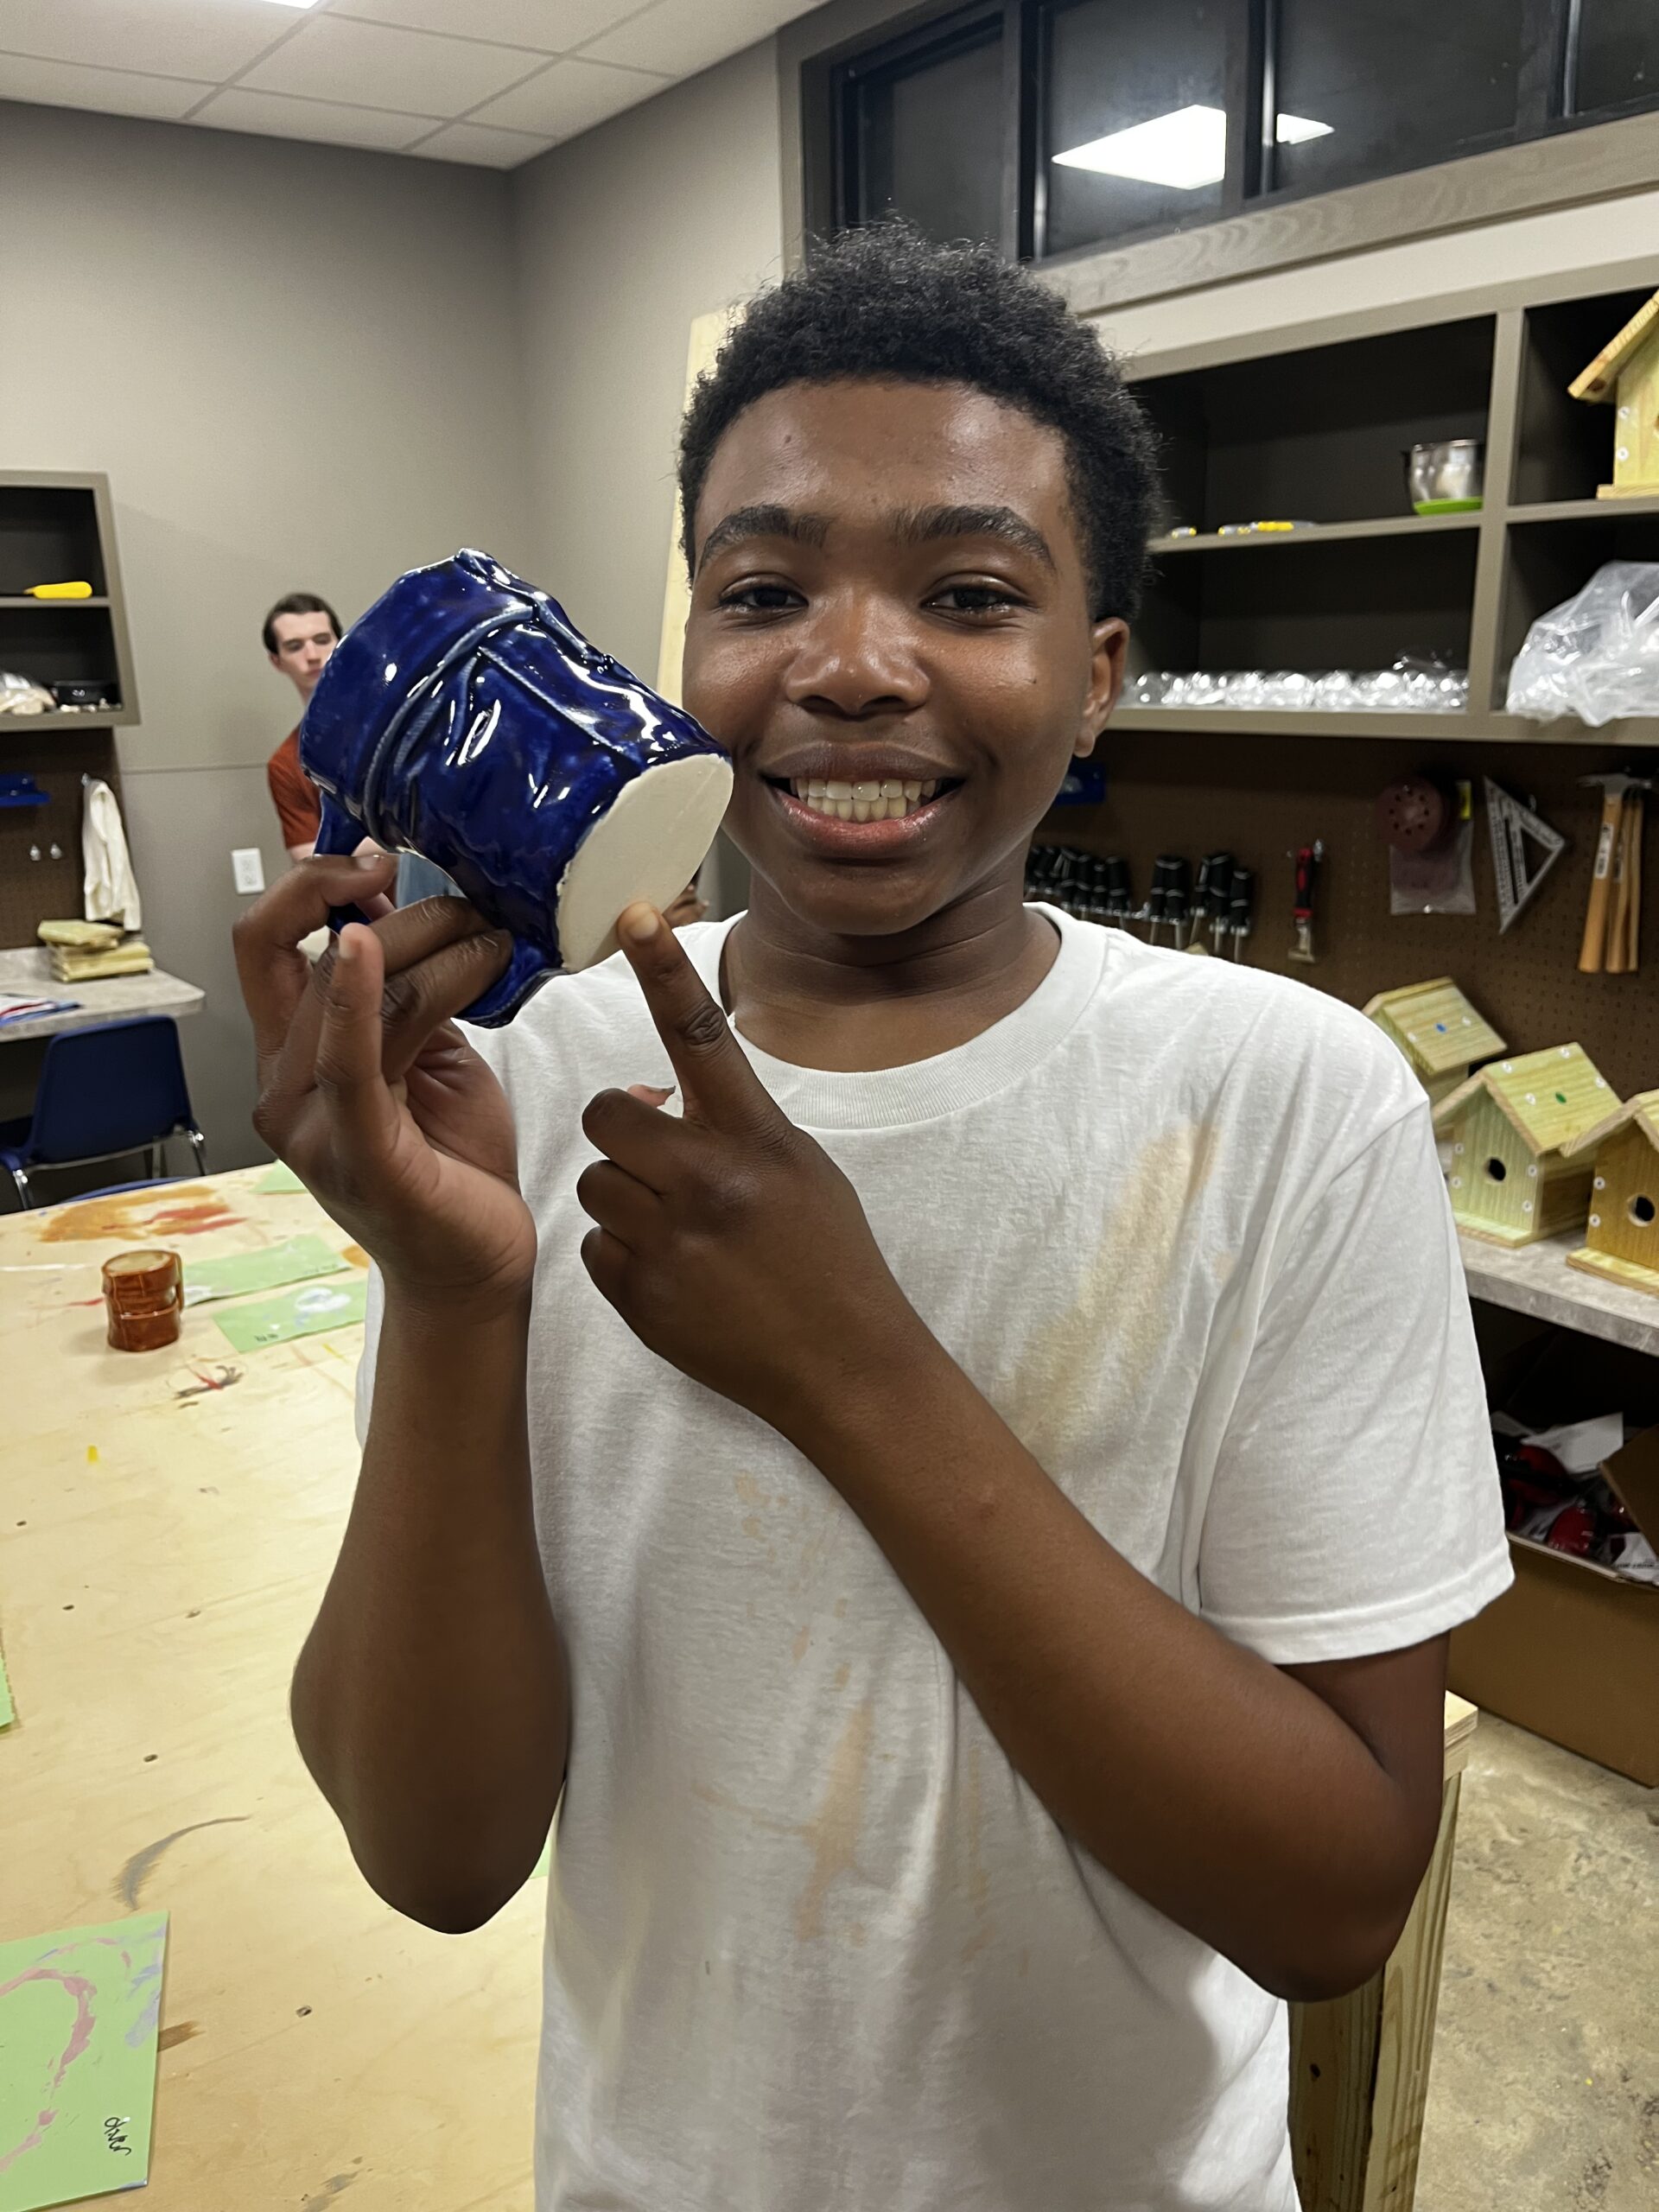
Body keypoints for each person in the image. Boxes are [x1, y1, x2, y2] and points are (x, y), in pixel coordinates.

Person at [234, 228, 1510, 2212]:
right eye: (762, 591)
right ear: (679, 654)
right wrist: (452, 1292)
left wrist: (850, 1361)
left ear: (1096, 677)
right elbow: (435, 1852)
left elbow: (1335, 1893)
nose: (844, 664)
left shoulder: (1284, 1099)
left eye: (969, 592)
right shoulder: (540, 1080)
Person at [263, 592, 340, 861]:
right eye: (295, 646)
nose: (312, 655)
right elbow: (309, 857)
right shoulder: (286, 763)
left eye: (322, 640)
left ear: (342, 644)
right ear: (277, 661)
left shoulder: (401, 723)